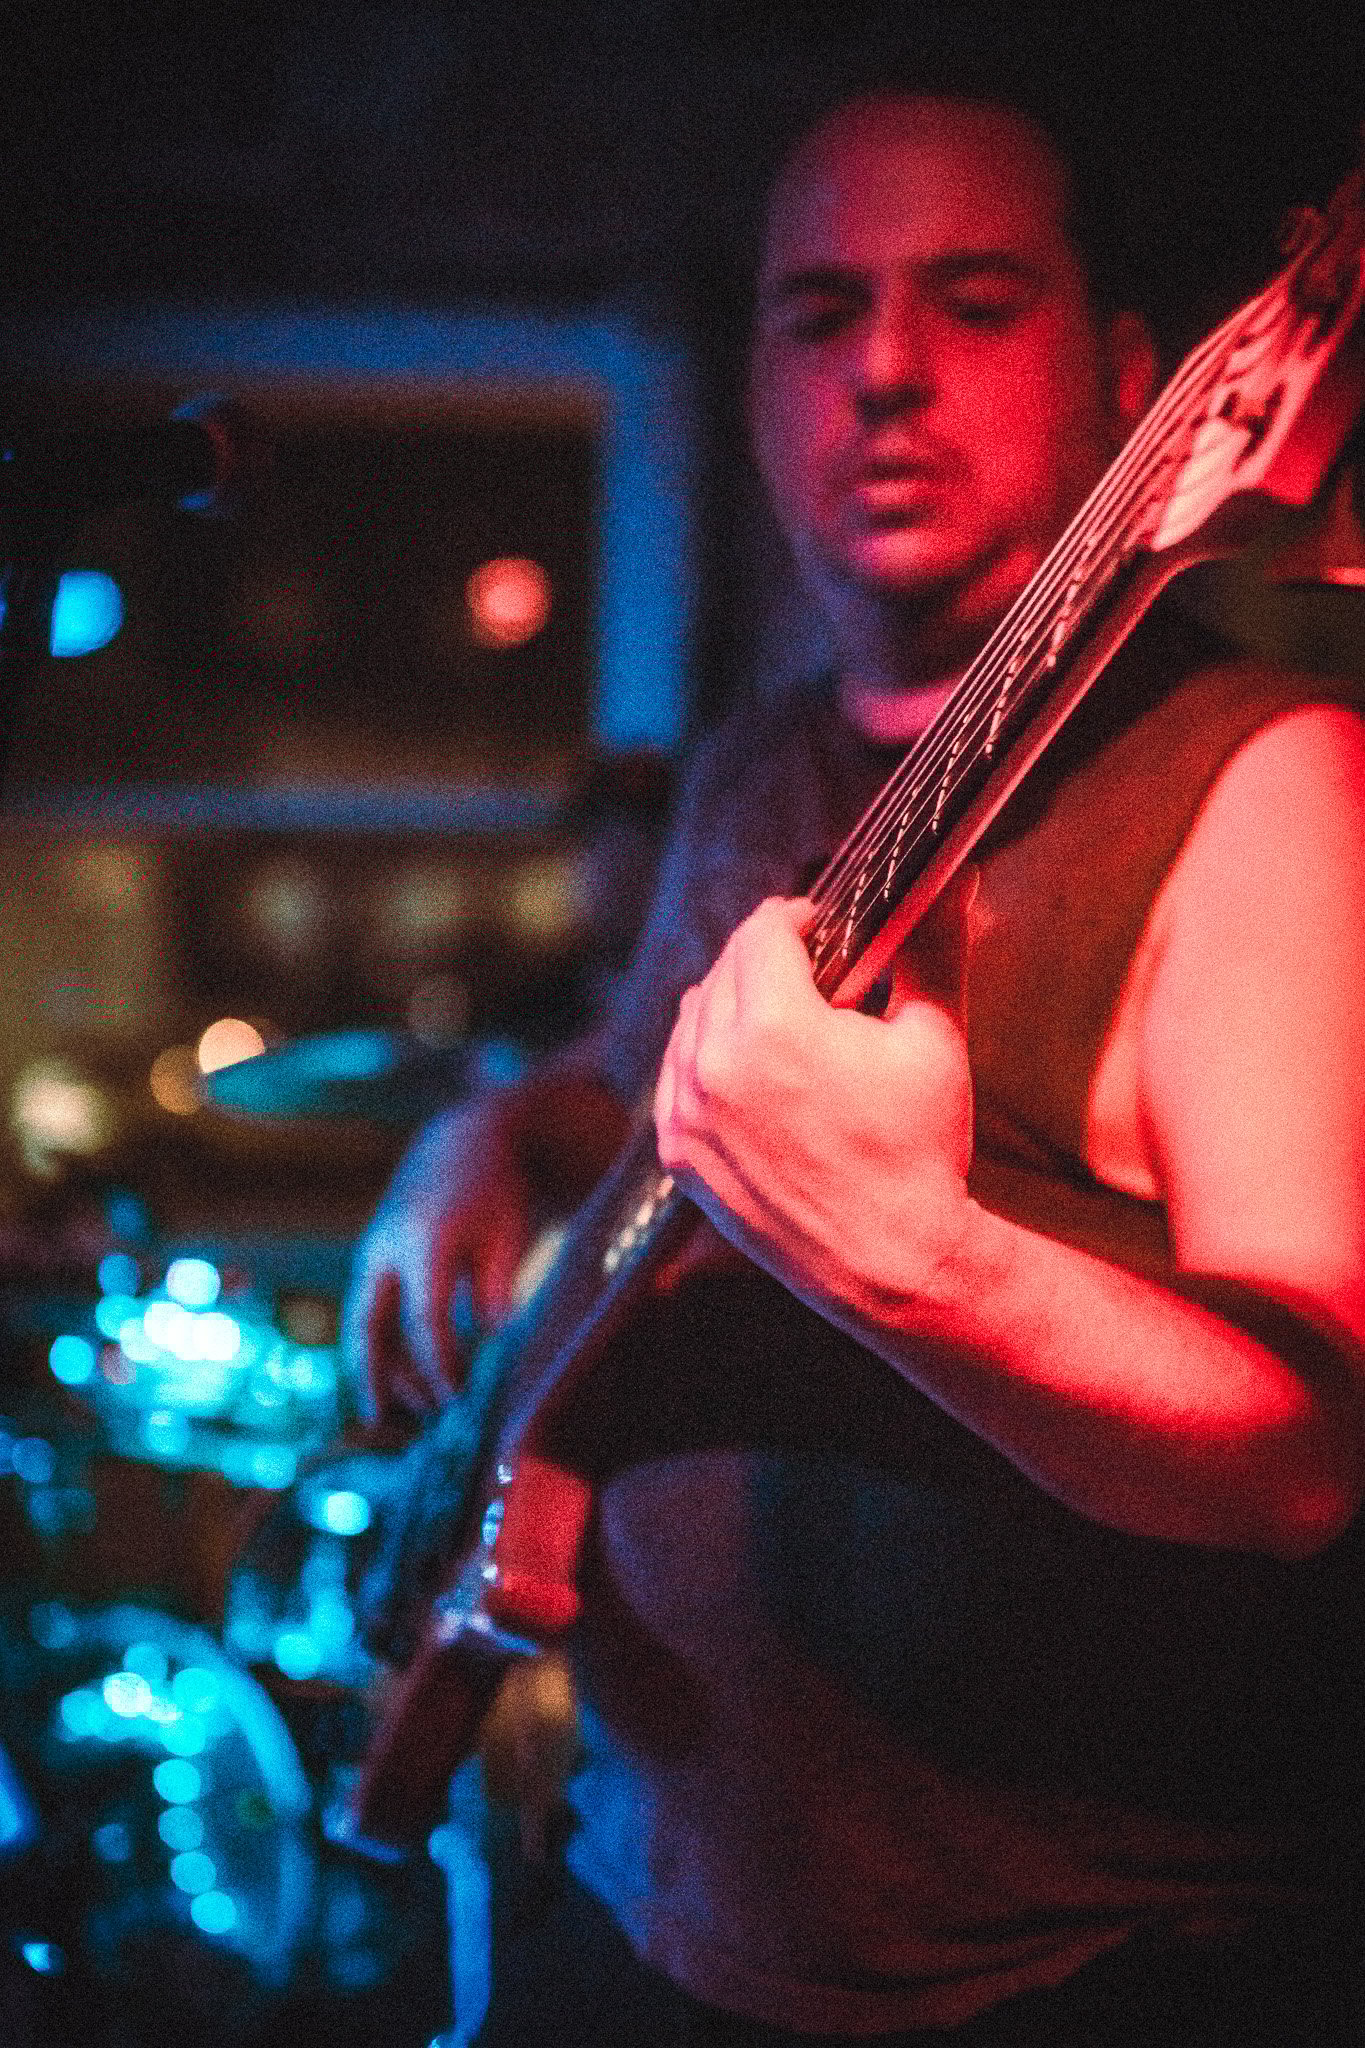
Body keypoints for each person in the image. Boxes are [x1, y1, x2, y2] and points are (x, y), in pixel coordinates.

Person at [345, 92, 1365, 2045]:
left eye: (971, 304)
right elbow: (655, 1093)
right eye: (819, 316)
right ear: (749, 394)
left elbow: (1308, 1450)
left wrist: (917, 1254)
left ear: (1136, 381)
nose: (884, 370)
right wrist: (489, 1128)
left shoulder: (1266, 788)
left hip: (1056, 1991)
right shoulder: (759, 759)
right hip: (631, 1911)